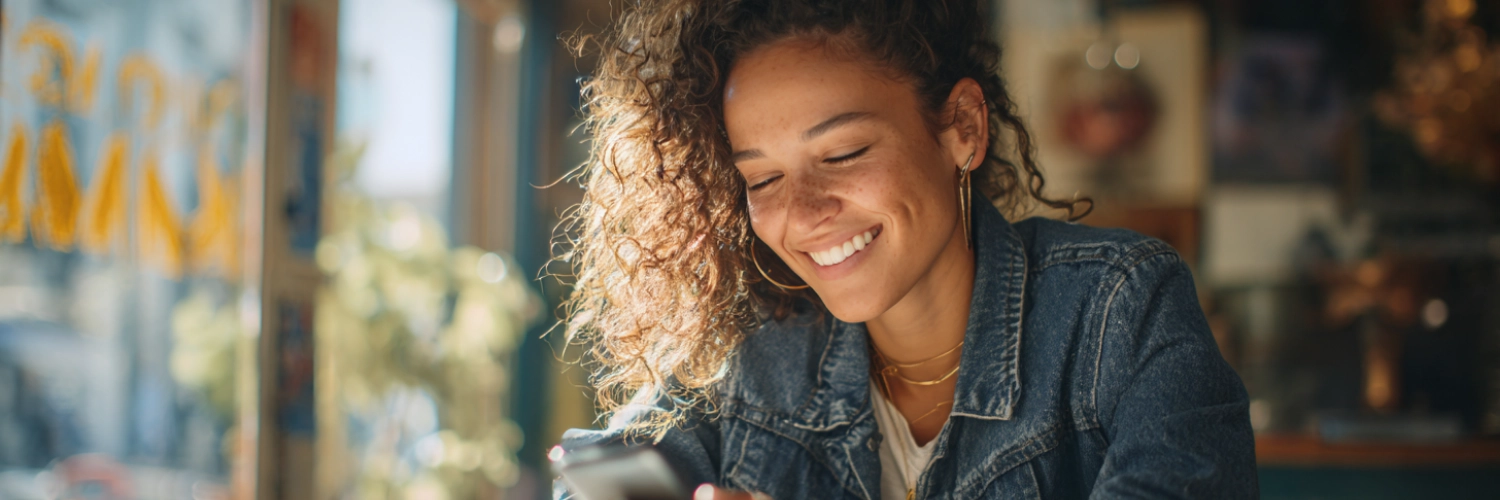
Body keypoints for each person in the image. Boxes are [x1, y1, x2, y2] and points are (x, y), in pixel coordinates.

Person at [553, 1, 1257, 498]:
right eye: (762, 178)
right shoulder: (757, 354)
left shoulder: (1118, 310)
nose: (802, 214)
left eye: (844, 153)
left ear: (962, 128)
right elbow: (595, 475)